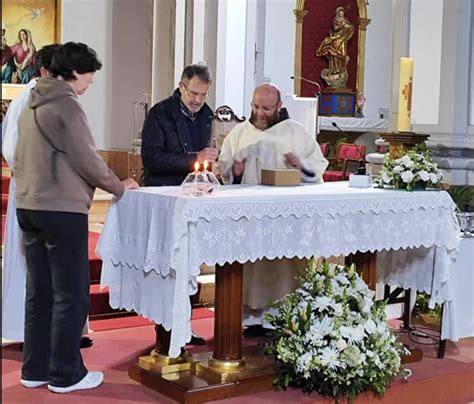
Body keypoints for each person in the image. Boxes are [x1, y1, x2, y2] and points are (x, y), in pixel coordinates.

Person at [14, 42, 139, 393]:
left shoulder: (31, 103)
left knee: (39, 291)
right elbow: (87, 159)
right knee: (71, 293)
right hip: (60, 209)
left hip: (29, 206)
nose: (89, 84)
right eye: (89, 77)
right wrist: (118, 186)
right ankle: (67, 374)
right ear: (74, 72)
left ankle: (35, 368)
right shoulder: (66, 106)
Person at [2, 44, 94, 350]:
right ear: (46, 71)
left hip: (43, 194)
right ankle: (37, 339)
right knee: (42, 278)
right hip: (41, 194)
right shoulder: (29, 100)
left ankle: (55, 340)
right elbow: (11, 148)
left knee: (48, 277)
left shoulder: (52, 99)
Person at [218, 83, 328, 337]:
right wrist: (233, 172)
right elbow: (224, 170)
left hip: (286, 219)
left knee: (284, 268)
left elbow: (317, 168)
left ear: (279, 106)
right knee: (252, 267)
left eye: (267, 108)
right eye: (256, 107)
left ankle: (284, 317)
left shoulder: (295, 132)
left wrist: (301, 165)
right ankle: (254, 319)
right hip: (250, 219)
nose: (260, 113)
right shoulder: (239, 133)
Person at [141, 64, 218, 345]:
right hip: (164, 198)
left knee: (190, 267)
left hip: (195, 200)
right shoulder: (160, 114)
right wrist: (193, 157)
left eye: (203, 95)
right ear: (181, 86)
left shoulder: (208, 116)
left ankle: (184, 326)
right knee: (168, 268)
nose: (198, 100)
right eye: (194, 93)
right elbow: (151, 159)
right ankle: (165, 331)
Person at [315, 6, 354, 87]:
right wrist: (343, 25)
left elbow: (350, 28)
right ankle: (335, 70)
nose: (341, 13)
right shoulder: (336, 19)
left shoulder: (346, 20)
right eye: (340, 12)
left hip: (343, 40)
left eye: (342, 12)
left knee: (342, 55)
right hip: (336, 39)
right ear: (338, 13)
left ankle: (340, 69)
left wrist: (348, 26)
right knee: (334, 54)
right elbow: (335, 28)